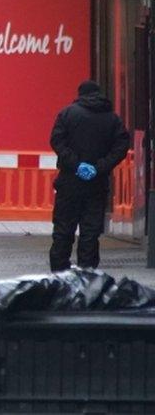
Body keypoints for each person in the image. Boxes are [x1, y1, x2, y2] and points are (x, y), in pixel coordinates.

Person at [48, 80, 129, 272]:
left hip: (69, 182)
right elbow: (121, 147)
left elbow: (57, 141)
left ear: (80, 94)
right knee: (90, 232)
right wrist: (99, 167)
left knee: (63, 230)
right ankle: (87, 274)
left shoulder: (67, 114)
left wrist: (76, 165)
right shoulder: (112, 119)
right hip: (97, 184)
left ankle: (59, 274)